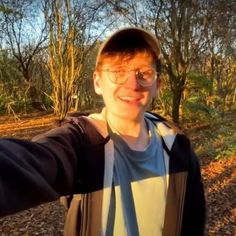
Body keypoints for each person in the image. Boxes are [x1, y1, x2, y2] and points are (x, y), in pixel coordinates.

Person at [0, 27, 205, 236]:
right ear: (98, 82)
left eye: (144, 73)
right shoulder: (80, 142)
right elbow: (31, 161)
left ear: (157, 85)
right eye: (117, 72)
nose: (133, 84)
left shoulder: (179, 149)